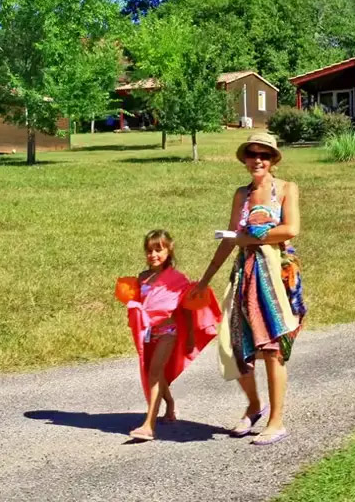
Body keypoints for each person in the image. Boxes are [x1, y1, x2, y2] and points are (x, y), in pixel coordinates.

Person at [195, 132, 304, 446]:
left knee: (271, 347)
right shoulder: (241, 194)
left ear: (273, 160)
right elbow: (231, 239)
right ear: (245, 159)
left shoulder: (285, 189)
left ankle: (277, 421)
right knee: (235, 344)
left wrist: (249, 237)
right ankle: (255, 406)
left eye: (265, 155)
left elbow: (291, 229)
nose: (258, 160)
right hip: (245, 273)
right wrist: (204, 281)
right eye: (252, 154)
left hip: (275, 274)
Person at [122, 229, 221, 442]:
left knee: (155, 373)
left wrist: (192, 340)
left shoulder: (176, 279)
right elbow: (142, 304)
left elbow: (185, 309)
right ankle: (170, 405)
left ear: (169, 250)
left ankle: (149, 425)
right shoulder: (143, 277)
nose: (153, 255)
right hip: (149, 332)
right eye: (149, 251)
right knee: (154, 373)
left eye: (159, 249)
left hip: (168, 332)